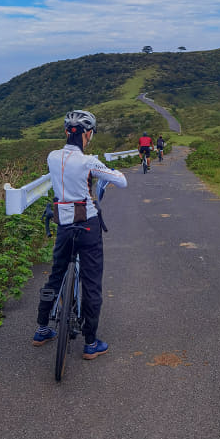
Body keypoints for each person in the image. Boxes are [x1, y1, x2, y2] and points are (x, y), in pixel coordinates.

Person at [33, 110, 127, 359]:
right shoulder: (89, 162)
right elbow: (121, 181)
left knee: (55, 275)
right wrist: (107, 172)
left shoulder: (52, 157)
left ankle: (42, 328)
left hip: (63, 224)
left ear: (66, 132)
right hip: (88, 225)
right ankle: (91, 342)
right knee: (92, 282)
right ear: (88, 134)